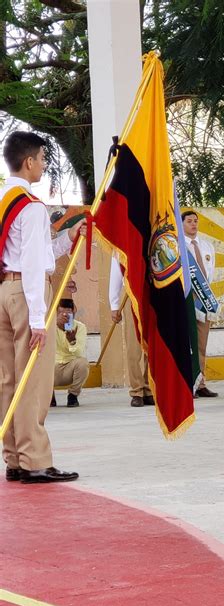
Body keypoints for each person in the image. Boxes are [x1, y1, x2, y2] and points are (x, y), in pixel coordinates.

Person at [0, 131, 86, 483]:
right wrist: (38, 320)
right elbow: (35, 264)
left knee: (8, 379)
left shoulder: (5, 199)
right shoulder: (31, 207)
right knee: (33, 379)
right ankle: (35, 460)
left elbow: (36, 250)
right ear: (29, 162)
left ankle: (15, 458)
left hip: (5, 290)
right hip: (27, 294)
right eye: (42, 158)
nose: (45, 164)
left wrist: (69, 236)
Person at [109, 255, 154, 407]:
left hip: (152, 293)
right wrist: (114, 304)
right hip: (132, 293)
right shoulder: (123, 241)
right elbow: (116, 271)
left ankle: (149, 388)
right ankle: (137, 390)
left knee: (152, 343)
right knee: (134, 346)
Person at [181, 210, 218, 398]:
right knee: (187, 343)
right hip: (186, 300)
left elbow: (210, 273)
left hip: (203, 300)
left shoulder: (207, 246)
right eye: (189, 221)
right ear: (182, 224)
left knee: (202, 344)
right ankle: (187, 383)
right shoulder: (178, 247)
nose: (193, 224)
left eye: (196, 221)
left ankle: (200, 382)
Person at [51, 299, 89, 408]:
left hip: (70, 367)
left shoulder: (80, 327)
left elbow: (79, 353)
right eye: (61, 313)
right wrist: (55, 324)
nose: (65, 317)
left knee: (82, 363)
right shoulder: (49, 326)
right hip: (52, 368)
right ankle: (49, 396)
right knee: (36, 365)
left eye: (68, 313)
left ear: (73, 313)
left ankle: (73, 395)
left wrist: (72, 341)